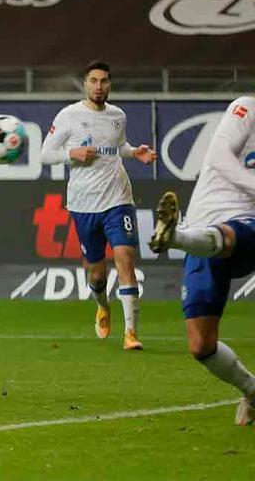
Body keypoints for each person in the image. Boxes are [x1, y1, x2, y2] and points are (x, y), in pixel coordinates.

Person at [149, 96, 255, 426]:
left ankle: (174, 236)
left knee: (230, 235)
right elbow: (218, 156)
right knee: (201, 345)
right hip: (203, 227)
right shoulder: (248, 107)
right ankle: (252, 391)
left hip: (247, 225)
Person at [41, 60, 156, 350]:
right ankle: (102, 305)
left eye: (104, 81)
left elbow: (117, 147)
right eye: (93, 81)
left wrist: (134, 152)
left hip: (118, 198)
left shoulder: (118, 116)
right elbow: (45, 154)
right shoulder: (69, 116)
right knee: (96, 271)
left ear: (109, 84)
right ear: (85, 83)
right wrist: (72, 153)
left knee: (125, 258)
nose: (99, 86)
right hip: (83, 204)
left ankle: (131, 333)